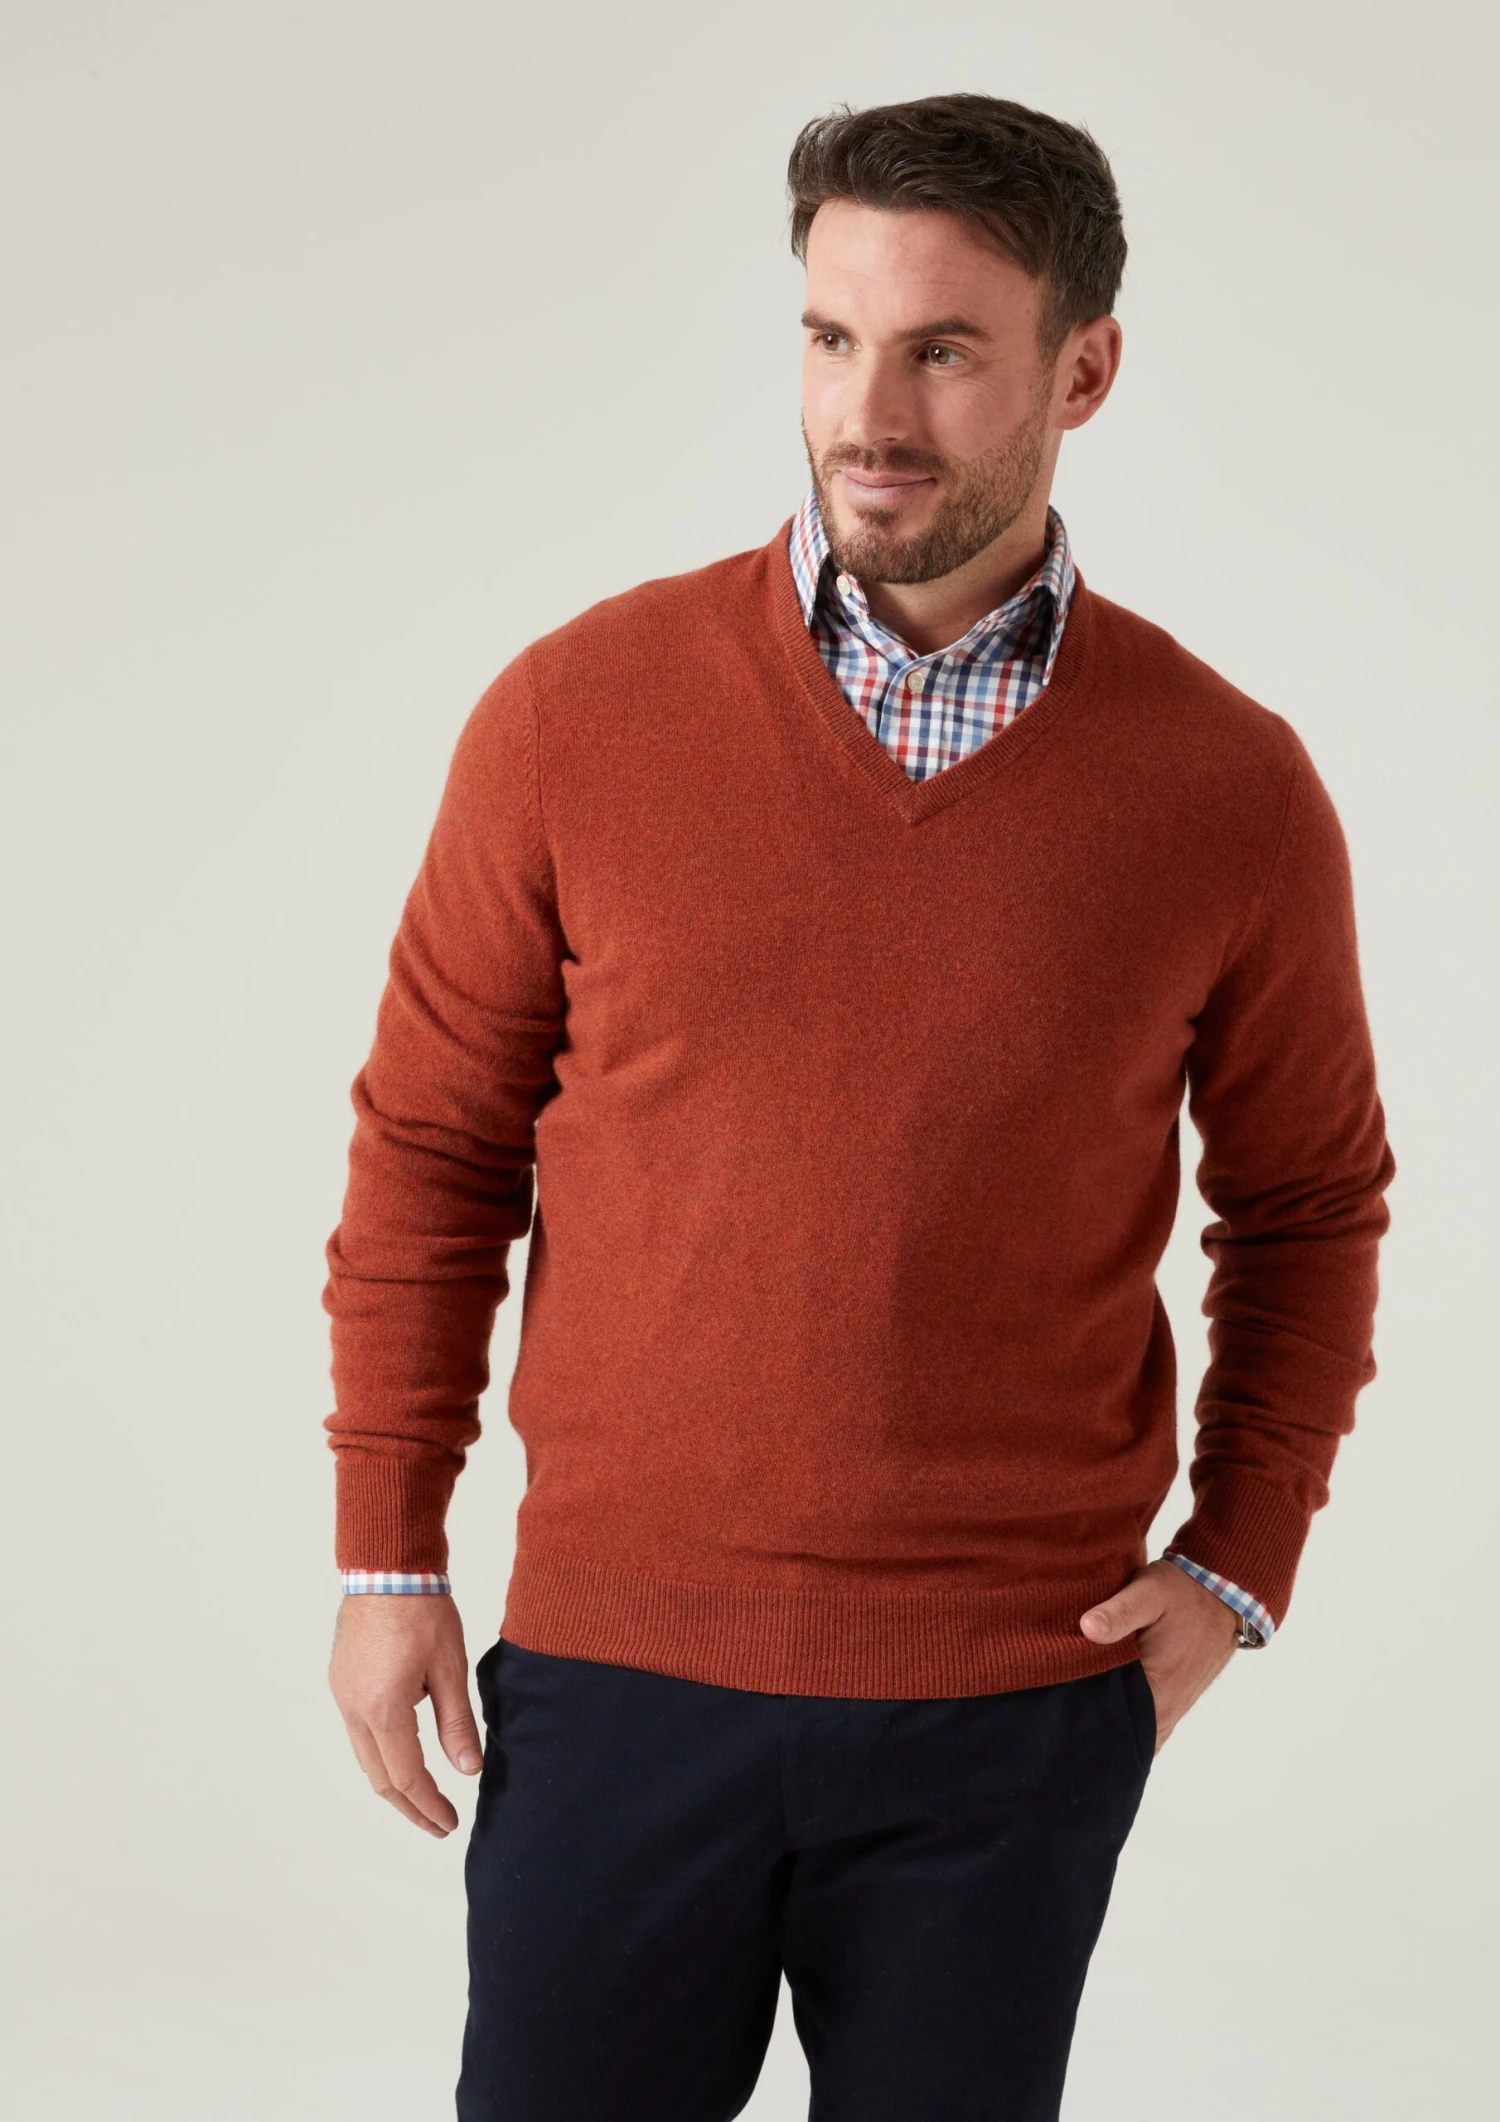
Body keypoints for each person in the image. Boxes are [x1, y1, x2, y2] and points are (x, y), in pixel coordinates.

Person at [323, 91, 1395, 2121]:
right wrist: (388, 1553)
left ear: (1084, 369)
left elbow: (1310, 1203)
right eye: (831, 337)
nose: (868, 412)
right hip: (618, 1677)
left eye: (942, 350)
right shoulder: (574, 714)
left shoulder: (1228, 788)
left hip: (1011, 1708)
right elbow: (434, 1147)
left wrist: (1238, 1561)